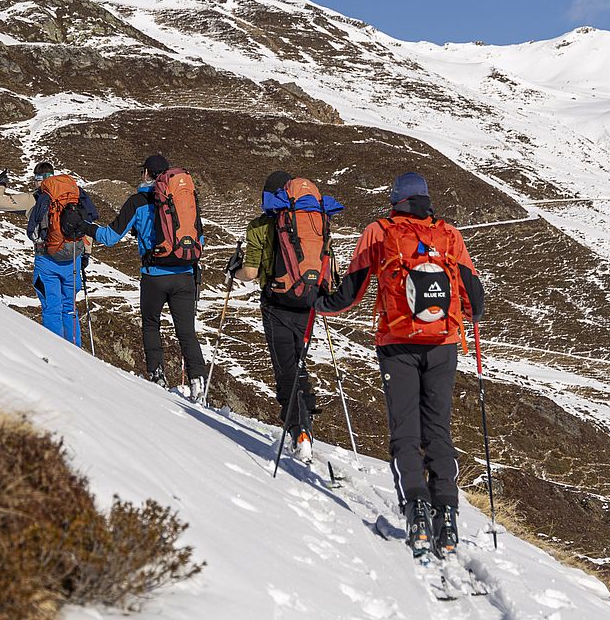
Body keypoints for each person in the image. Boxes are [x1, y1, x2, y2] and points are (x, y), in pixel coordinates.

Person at [316, 171, 484, 560]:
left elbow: (350, 292)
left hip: (396, 344)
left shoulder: (378, 231)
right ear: (426, 199)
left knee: (405, 432)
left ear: (395, 199)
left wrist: (317, 303)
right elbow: (476, 301)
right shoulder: (450, 235)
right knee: (438, 429)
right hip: (443, 344)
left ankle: (417, 514)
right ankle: (447, 515)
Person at [61, 154, 207, 399]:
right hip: (185, 275)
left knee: (151, 325)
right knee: (186, 332)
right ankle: (198, 383)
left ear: (147, 174)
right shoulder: (184, 200)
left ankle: (157, 376)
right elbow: (198, 239)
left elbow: (109, 237)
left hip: (154, 276)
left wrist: (83, 226)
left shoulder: (137, 202)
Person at [227, 171, 341, 463]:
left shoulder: (260, 227)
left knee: (285, 370)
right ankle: (307, 422)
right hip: (309, 305)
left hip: (276, 305)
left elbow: (250, 274)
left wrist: (233, 271)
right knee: (299, 364)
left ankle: (299, 432)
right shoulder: (317, 222)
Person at [24, 163, 98, 345]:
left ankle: (55, 352)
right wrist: (85, 254)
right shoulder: (74, 193)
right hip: (73, 257)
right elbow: (91, 217)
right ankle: (75, 350)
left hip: (47, 259)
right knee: (69, 307)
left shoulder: (42, 196)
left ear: (40, 179)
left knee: (52, 307)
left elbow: (32, 232)